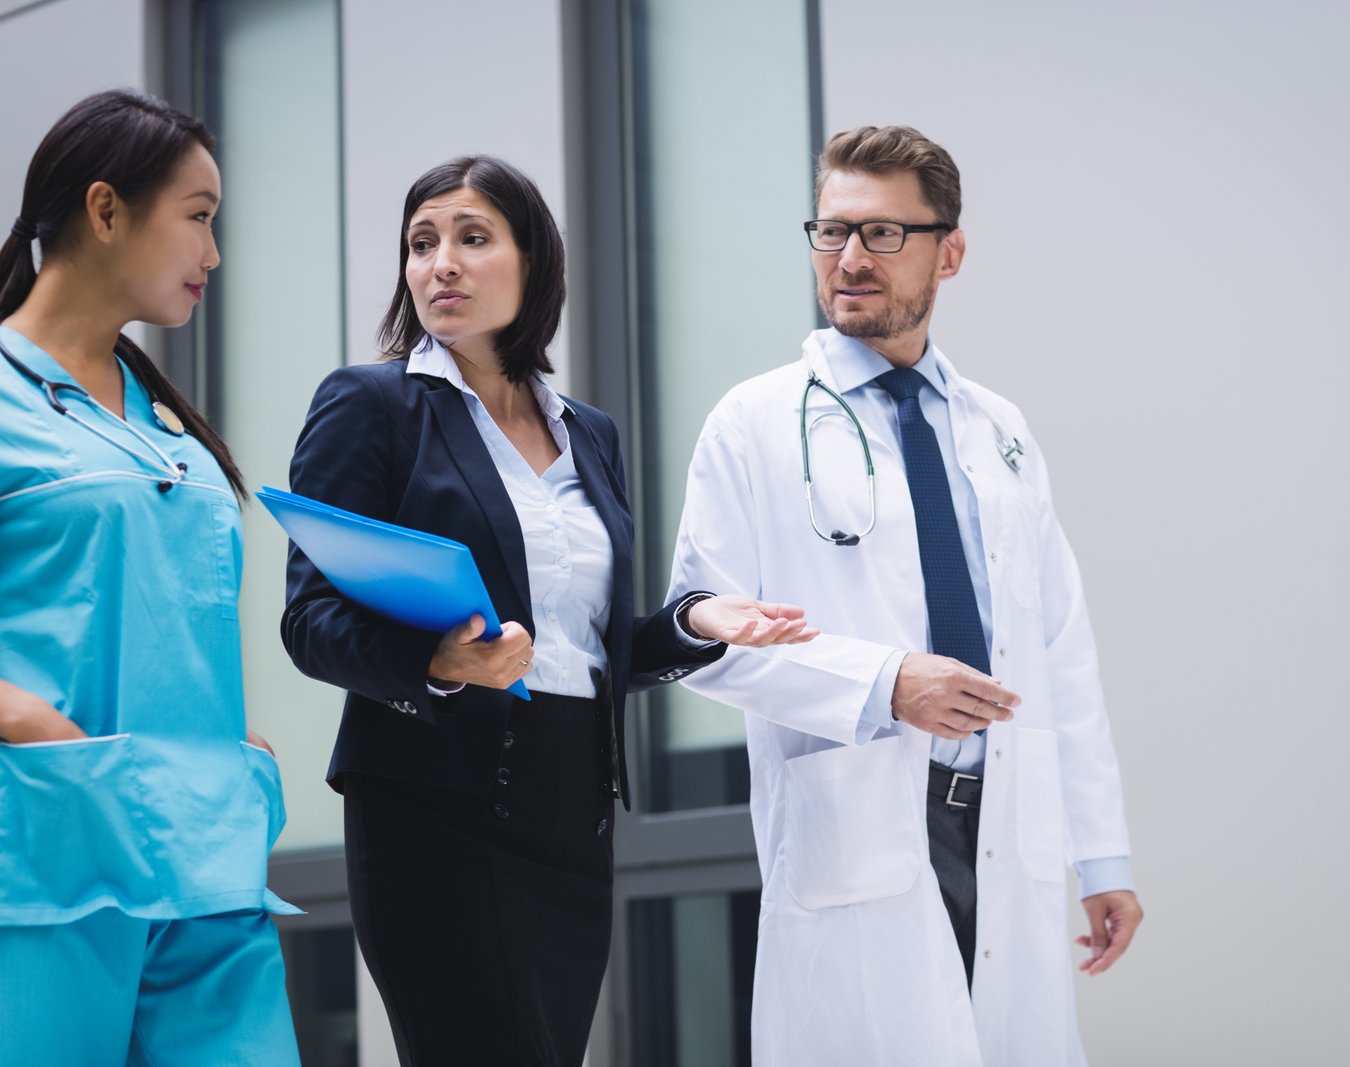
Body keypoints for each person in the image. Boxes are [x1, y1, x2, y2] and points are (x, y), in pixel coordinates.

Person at [281, 154, 815, 1066]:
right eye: (421, 243)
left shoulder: (589, 433)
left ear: (533, 262)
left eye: (472, 238)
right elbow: (310, 620)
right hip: (433, 811)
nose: (441, 264)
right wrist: (440, 661)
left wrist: (693, 624)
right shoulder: (371, 405)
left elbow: (581, 648)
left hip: (571, 816)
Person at [668, 125, 1143, 1065]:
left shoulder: (999, 430)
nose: (849, 259)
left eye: (883, 234)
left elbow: (1060, 649)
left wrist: (1101, 855)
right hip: (863, 812)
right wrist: (885, 682)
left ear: (948, 252)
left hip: (1003, 811)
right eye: (831, 231)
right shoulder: (753, 423)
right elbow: (706, 638)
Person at [0, 90, 301, 1065]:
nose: (213, 253)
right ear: (105, 209)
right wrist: (25, 718)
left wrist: (235, 747)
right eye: (199, 217)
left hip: (204, 853)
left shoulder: (167, 421)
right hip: (50, 854)